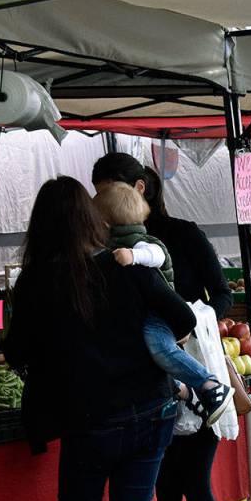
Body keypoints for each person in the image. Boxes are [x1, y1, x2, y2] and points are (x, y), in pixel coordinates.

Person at [4, 177, 196, 501]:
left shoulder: (36, 282)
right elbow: (183, 318)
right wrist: (149, 343)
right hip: (149, 411)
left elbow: (17, 351)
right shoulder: (124, 265)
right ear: (92, 220)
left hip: (86, 421)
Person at [91, 154, 235, 501]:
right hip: (149, 383)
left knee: (195, 482)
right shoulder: (106, 246)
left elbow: (223, 294)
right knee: (165, 489)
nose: (100, 203)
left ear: (138, 188)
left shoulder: (179, 235)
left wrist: (185, 321)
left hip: (193, 363)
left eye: (107, 191)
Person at [92, 182, 233, 425]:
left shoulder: (141, 242)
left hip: (159, 314)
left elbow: (157, 255)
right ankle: (186, 391)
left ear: (104, 225)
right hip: (150, 313)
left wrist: (134, 256)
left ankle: (210, 386)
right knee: (153, 354)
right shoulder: (114, 246)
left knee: (161, 348)